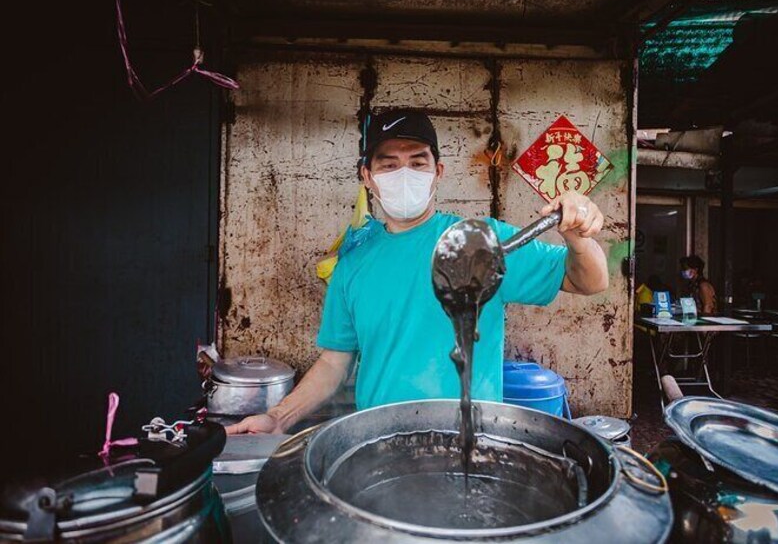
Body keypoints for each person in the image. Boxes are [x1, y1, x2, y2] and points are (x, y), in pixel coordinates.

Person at [226, 110, 609, 435]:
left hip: (467, 442)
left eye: (417, 162)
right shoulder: (352, 265)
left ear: (438, 171)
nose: (403, 172)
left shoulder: (481, 240)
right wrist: (278, 417)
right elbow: (333, 363)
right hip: (378, 442)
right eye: (388, 164)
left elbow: (587, 281)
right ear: (367, 176)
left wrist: (578, 238)